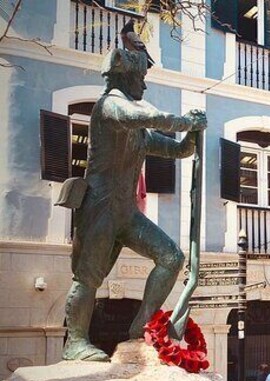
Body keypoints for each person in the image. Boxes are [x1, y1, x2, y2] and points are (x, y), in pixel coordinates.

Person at [61, 47, 206, 361]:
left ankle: (141, 327)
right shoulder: (110, 105)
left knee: (171, 257)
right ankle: (75, 342)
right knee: (88, 278)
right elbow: (144, 115)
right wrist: (184, 121)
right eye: (140, 78)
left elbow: (180, 151)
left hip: (126, 211)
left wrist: (194, 132)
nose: (144, 84)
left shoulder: (139, 135)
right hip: (99, 206)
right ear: (125, 78)